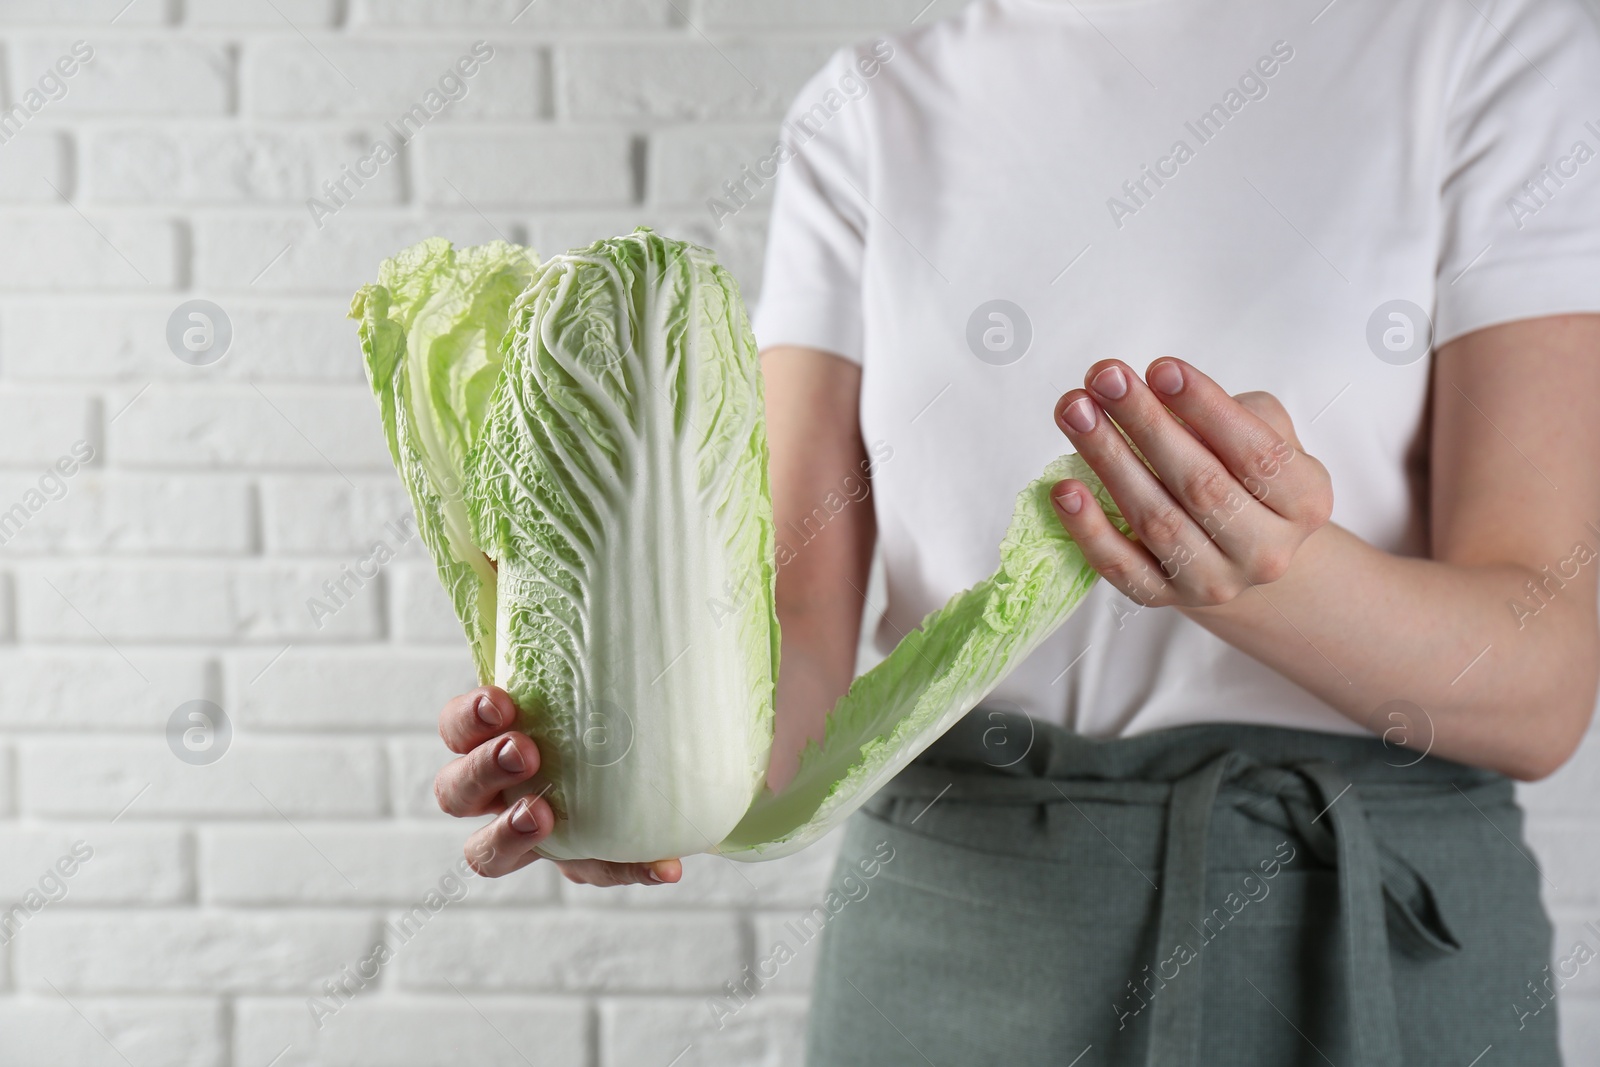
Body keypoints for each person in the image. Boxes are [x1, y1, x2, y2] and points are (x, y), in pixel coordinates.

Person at [429, 0, 1600, 1063]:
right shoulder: (868, 108)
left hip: (1367, 942)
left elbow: (1543, 687)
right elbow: (794, 636)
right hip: (959, 931)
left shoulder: (1492, 47)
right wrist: (625, 765)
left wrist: (1262, 572)